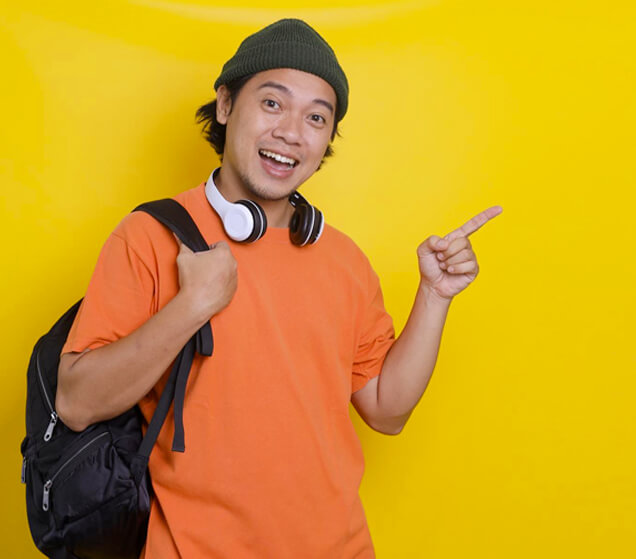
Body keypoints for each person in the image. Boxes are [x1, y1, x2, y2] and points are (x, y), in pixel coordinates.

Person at [56, 17, 501, 559]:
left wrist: (435, 295)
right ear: (225, 104)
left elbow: (387, 411)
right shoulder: (150, 236)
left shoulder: (345, 260)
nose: (292, 132)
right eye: (272, 103)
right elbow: (76, 403)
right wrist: (191, 306)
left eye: (316, 117)